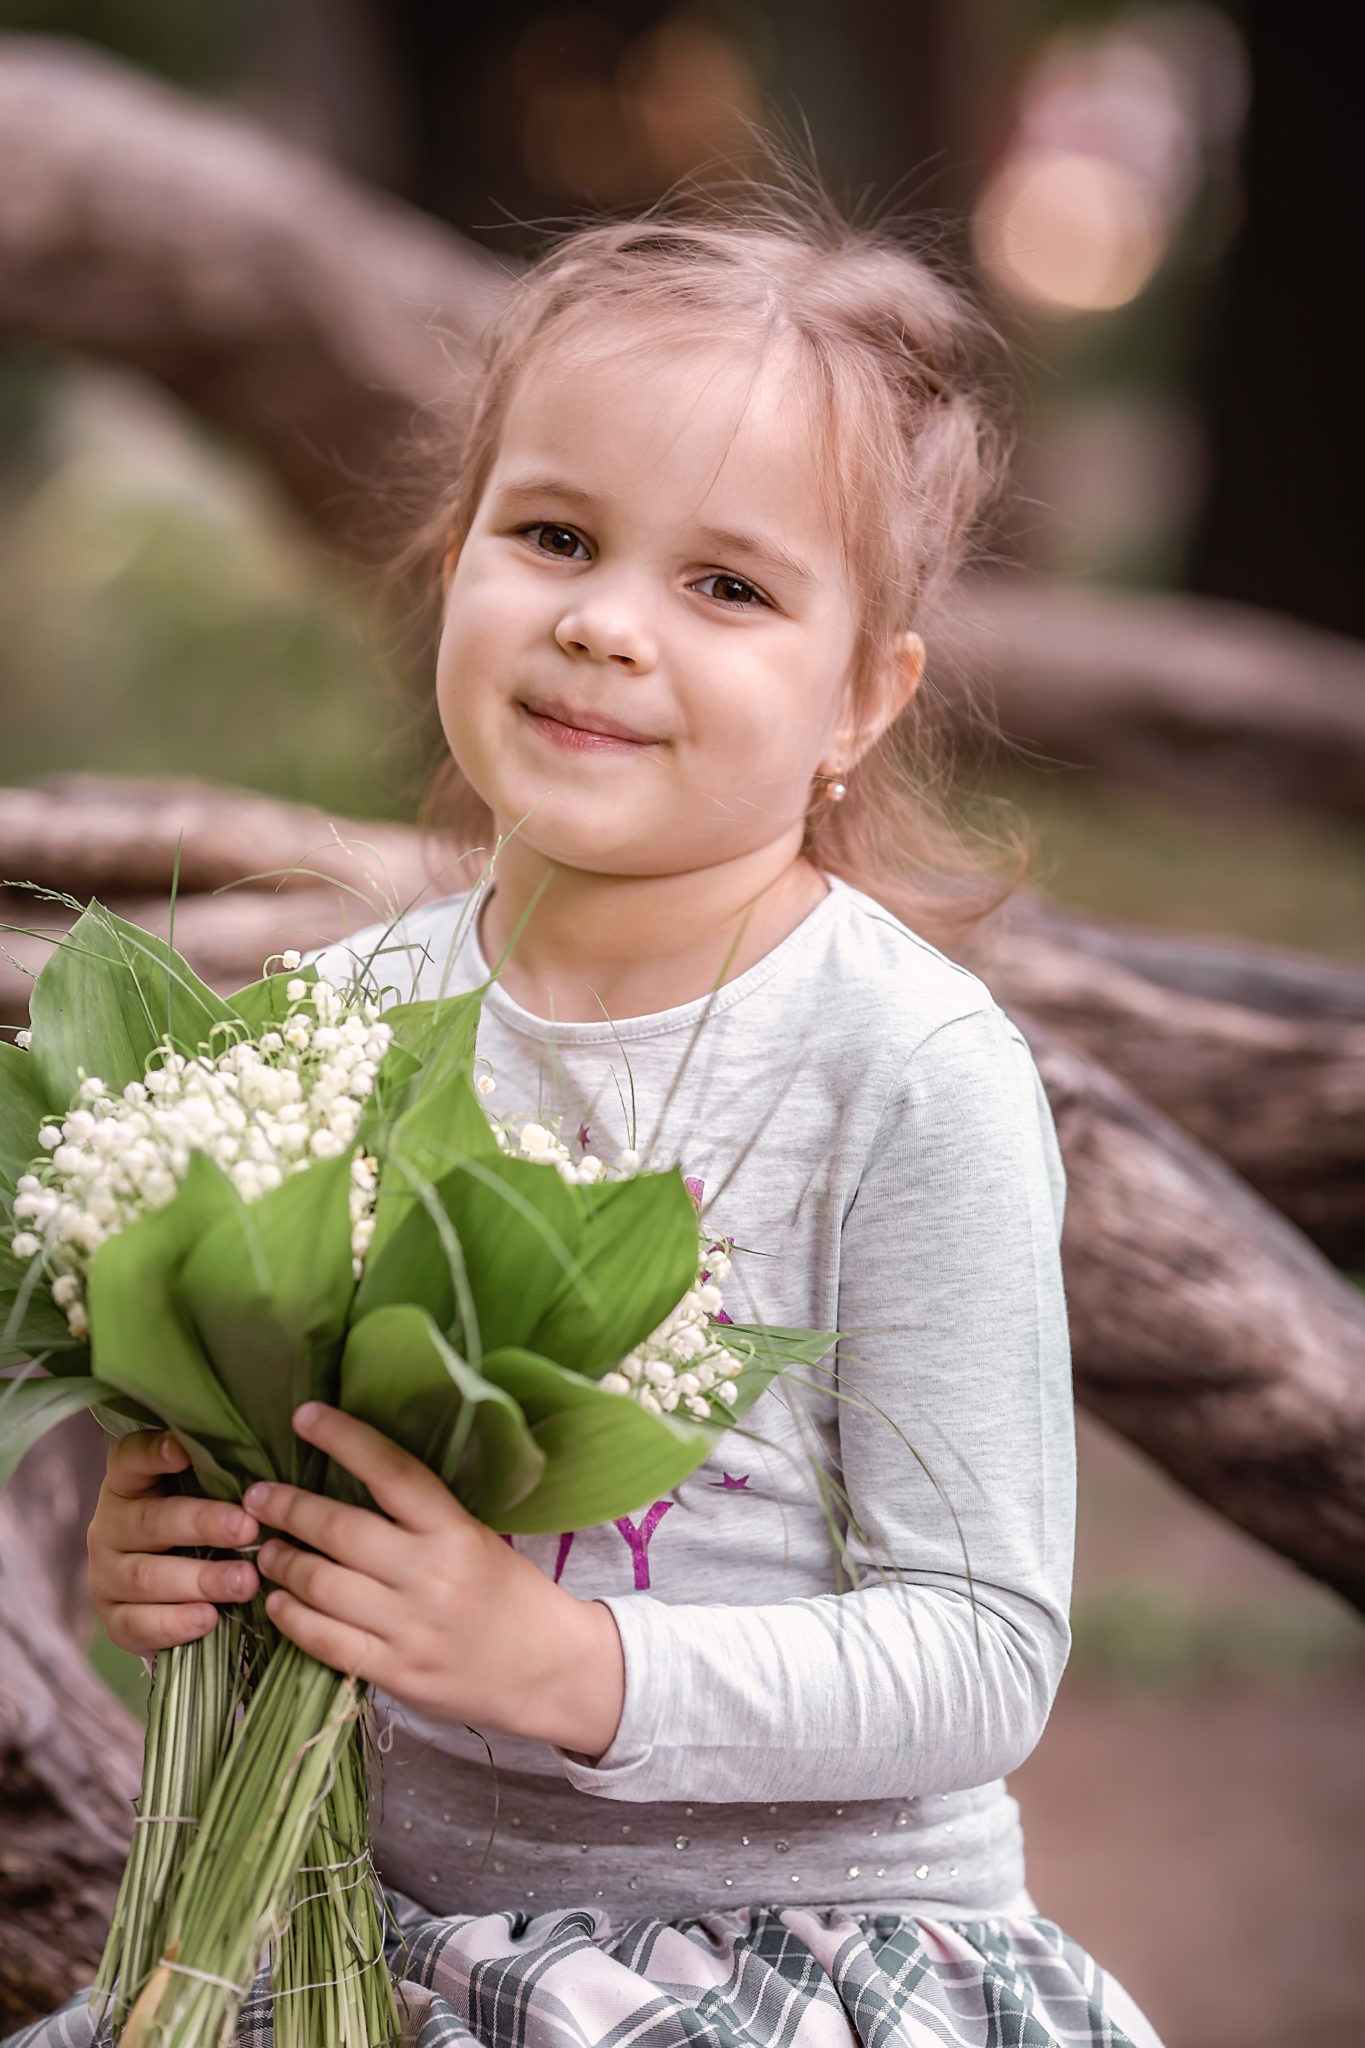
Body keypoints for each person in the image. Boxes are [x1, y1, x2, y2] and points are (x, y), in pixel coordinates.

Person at [38, 196, 1165, 2048]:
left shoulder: (902, 1070)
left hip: (786, 1949)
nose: (603, 624)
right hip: (363, 1927)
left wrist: (565, 1662)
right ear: (453, 556)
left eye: (727, 586)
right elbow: (280, 1478)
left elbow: (979, 1651)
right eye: (553, 534)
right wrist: (174, 1556)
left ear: (860, 701)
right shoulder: (346, 1024)